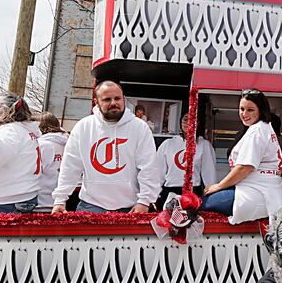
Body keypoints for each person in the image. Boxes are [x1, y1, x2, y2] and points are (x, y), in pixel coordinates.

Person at [52, 81, 161, 214]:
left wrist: (144, 201)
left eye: (117, 98)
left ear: (123, 98)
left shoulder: (139, 128)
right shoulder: (83, 127)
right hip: (91, 206)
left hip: (130, 208)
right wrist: (60, 200)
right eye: (107, 99)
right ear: (96, 102)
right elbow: (70, 166)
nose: (113, 103)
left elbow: (149, 167)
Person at [200, 89, 282, 223]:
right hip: (268, 194)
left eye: (250, 110)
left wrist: (218, 186)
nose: (244, 114)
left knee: (200, 204)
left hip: (254, 194)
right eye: (241, 109)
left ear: (261, 110)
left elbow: (244, 168)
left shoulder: (256, 131)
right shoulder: (264, 127)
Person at [155, 112, 217, 209]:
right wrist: (152, 196)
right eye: (185, 120)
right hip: (169, 192)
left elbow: (210, 175)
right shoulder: (167, 144)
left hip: (193, 192)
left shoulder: (204, 145)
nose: (189, 123)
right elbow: (158, 174)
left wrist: (212, 196)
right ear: (180, 122)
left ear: (198, 123)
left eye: (193, 120)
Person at [36, 112, 68, 212]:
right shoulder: (68, 144)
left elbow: (32, 173)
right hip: (63, 203)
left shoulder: (41, 145)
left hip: (40, 203)